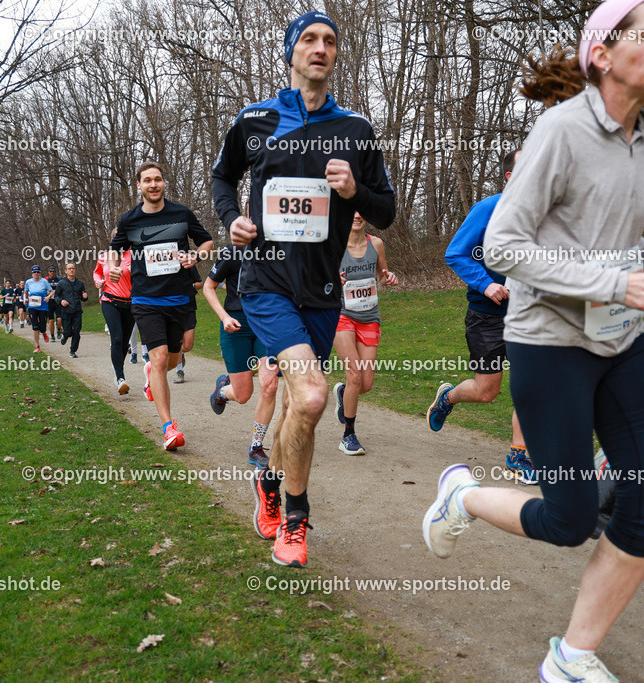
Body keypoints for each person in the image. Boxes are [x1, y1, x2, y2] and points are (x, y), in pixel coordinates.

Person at [420, 4, 644, 680]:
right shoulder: (559, 132)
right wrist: (616, 284)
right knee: (569, 517)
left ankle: (571, 656)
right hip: (549, 344)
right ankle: (462, 495)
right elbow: (503, 245)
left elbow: (607, 242)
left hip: (619, 344)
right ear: (604, 55)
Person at [212, 10, 395, 567]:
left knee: (302, 404)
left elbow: (384, 211)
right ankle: (296, 517)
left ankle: (270, 482)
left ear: (337, 56)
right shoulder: (256, 119)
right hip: (265, 283)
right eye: (309, 40)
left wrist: (354, 189)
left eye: (330, 41)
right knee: (315, 393)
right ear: (291, 52)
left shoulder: (357, 130)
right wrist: (230, 220)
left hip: (322, 290)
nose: (320, 47)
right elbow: (223, 176)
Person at [428, 148, 535, 484]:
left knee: (530, 384)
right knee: (487, 390)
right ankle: (448, 396)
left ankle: (519, 454)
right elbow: (456, 253)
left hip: (530, 313)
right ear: (509, 177)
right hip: (487, 314)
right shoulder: (487, 209)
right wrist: (487, 284)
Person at [109, 161, 214, 450]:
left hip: (179, 298)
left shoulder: (181, 213)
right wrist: (114, 268)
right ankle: (169, 427)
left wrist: (196, 257)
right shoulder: (129, 220)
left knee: (173, 359)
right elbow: (115, 250)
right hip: (145, 300)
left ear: (164, 183)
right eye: (147, 180)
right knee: (157, 360)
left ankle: (151, 378)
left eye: (157, 179)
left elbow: (207, 242)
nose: (153, 184)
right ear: (139, 186)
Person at [205, 244, 280, 468]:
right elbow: (209, 287)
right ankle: (222, 391)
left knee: (270, 384)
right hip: (235, 326)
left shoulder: (280, 249)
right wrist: (224, 317)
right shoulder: (232, 251)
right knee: (243, 394)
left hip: (266, 324)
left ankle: (256, 447)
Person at [331, 212, 399, 455]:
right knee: (355, 375)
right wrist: (330, 280)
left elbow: (381, 276)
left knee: (365, 384)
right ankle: (348, 435)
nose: (357, 216)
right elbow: (318, 280)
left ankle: (343, 392)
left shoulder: (376, 244)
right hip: (341, 315)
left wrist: (388, 278)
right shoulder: (333, 243)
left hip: (369, 316)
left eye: (361, 211)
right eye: (352, 211)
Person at [94, 239, 135, 394]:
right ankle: (120, 378)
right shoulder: (103, 256)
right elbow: (97, 272)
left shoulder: (133, 255)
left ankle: (117, 365)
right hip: (109, 300)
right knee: (117, 338)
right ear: (111, 241)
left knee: (125, 342)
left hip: (130, 303)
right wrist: (98, 282)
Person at [173, 268, 202, 383]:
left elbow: (200, 283)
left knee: (187, 346)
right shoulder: (164, 264)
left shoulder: (188, 264)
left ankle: (181, 353)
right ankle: (179, 371)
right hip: (172, 307)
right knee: (177, 342)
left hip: (188, 307)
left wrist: (190, 287)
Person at [54, 262, 88, 358]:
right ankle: (65, 335)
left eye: (73, 268)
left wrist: (85, 296)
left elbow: (83, 297)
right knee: (68, 332)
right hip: (66, 311)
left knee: (77, 332)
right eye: (69, 268)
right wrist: (61, 301)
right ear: (66, 271)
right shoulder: (61, 283)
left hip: (77, 310)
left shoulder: (79, 283)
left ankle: (73, 351)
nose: (71, 270)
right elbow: (56, 296)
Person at [24, 266, 53, 353]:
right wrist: (25, 298)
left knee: (42, 326)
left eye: (38, 272)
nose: (36, 274)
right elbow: (25, 292)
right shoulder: (28, 282)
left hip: (43, 306)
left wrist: (48, 297)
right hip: (32, 306)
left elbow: (52, 291)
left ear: (40, 273)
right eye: (34, 272)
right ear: (32, 273)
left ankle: (43, 332)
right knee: (35, 326)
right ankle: (37, 346)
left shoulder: (44, 281)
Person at [45, 266, 62, 341]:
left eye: (53, 271)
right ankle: (52, 336)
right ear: (48, 272)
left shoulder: (59, 279)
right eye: (51, 271)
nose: (52, 272)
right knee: (51, 320)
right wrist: (46, 292)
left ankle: (59, 330)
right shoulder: (45, 280)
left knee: (59, 319)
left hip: (58, 301)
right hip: (49, 302)